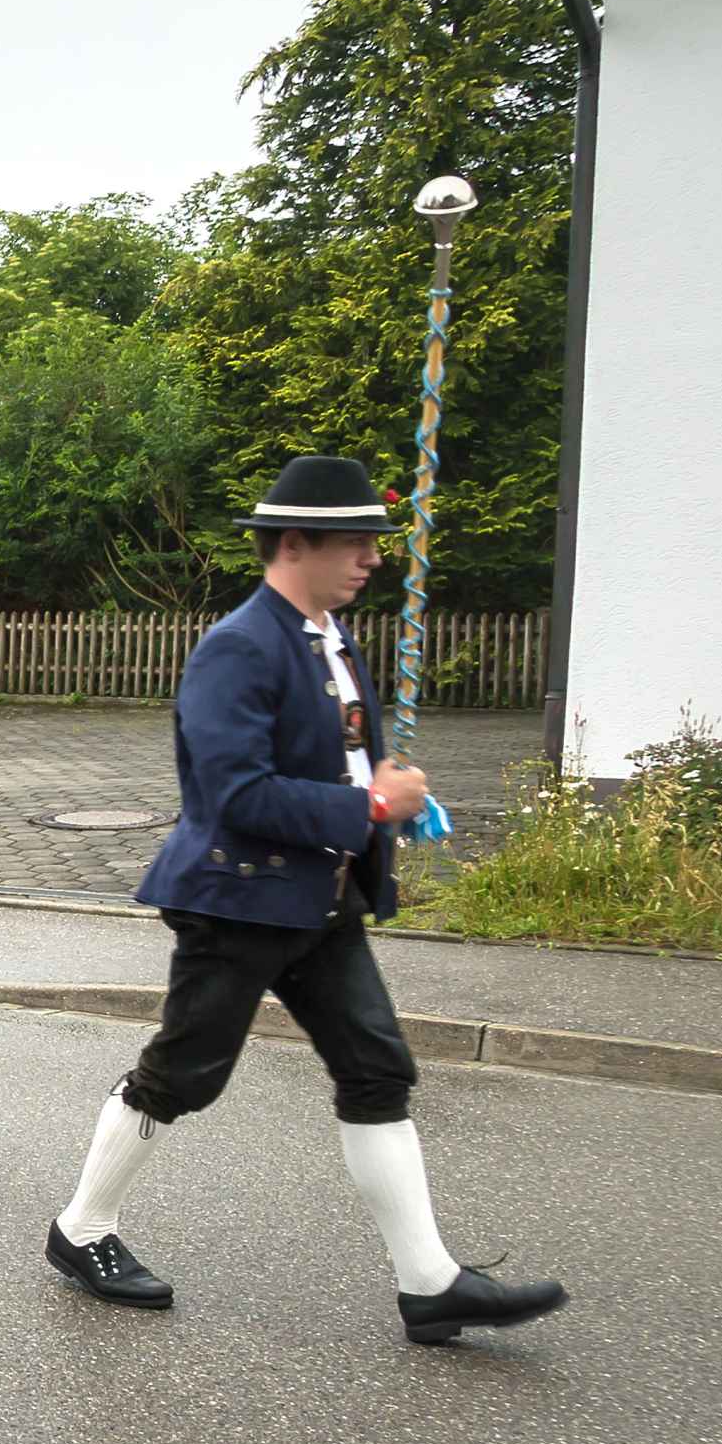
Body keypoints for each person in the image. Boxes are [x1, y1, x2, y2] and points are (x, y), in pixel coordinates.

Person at [45, 456, 568, 1345]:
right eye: (355, 543)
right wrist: (367, 804)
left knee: (377, 1071)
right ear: (295, 544)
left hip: (322, 901)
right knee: (182, 1078)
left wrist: (388, 793)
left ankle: (430, 1283)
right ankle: (80, 1230)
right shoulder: (238, 647)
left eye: (373, 542)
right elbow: (235, 794)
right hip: (238, 903)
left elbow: (337, 755)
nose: (371, 559)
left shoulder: (326, 635)